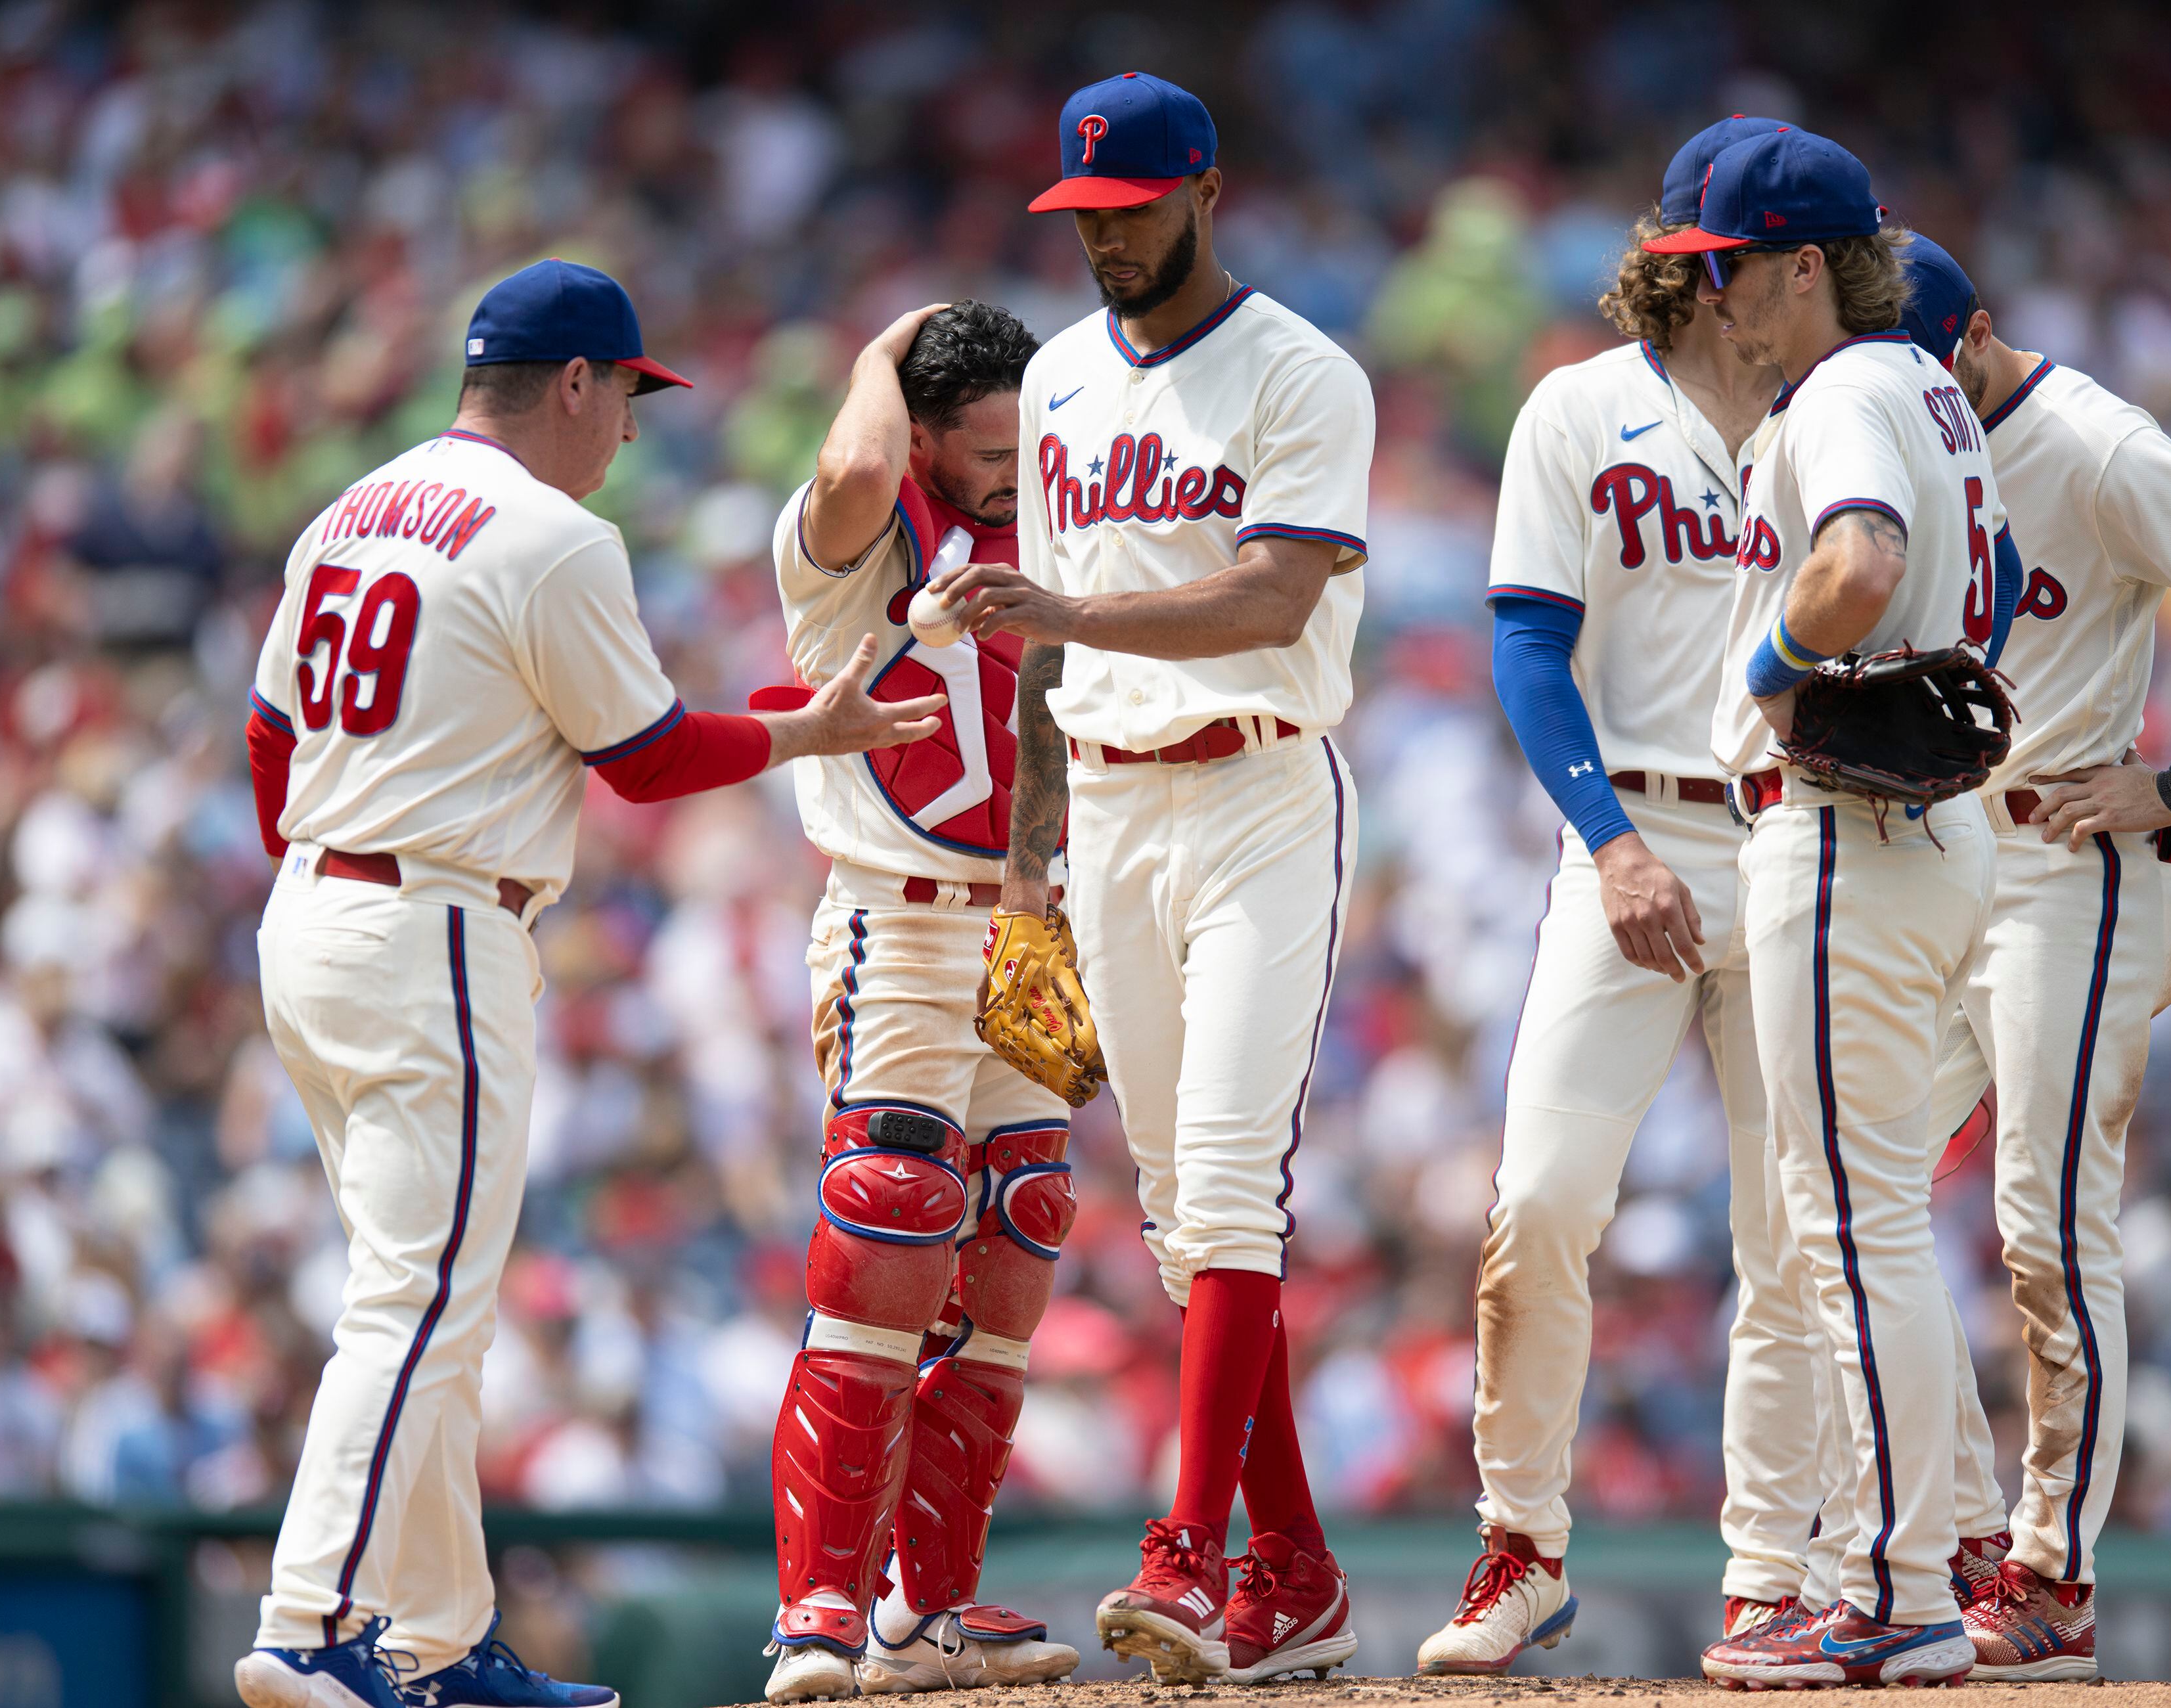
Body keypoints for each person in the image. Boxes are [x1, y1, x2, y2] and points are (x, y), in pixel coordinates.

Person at [235, 259, 942, 1708]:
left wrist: (331, 873)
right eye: (623, 394)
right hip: (429, 925)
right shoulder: (552, 536)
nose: (628, 430)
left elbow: (266, 735)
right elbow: (647, 758)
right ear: (572, 382)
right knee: (418, 1303)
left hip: (314, 912)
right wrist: (815, 729)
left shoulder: (346, 507)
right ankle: (308, 1627)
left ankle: (435, 1641)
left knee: (433, 1299)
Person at [931, 70, 1374, 1687]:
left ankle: (1190, 1559)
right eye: (1083, 214)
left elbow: (1267, 602)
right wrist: (1030, 860)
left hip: (1258, 787)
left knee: (1235, 1182)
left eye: (1128, 210)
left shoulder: (1303, 373)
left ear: (1203, 193)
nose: (1103, 237)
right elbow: (1049, 667)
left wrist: (1052, 614)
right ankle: (1305, 1580)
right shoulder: (1053, 381)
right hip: (1108, 805)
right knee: (1189, 1227)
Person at [1902, 236, 2171, 1680]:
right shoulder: (1897, 425)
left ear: (1976, 338)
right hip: (1955, 847)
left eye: (1920, 369)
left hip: (2079, 855)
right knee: (1851, 1187)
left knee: (2044, 1222)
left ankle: (2053, 1574)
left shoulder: (2089, 442)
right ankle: (1962, 1532)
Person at [1410, 116, 1789, 1677]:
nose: (1796, 284)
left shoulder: (1848, 405)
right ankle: (1524, 1546)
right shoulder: (1581, 407)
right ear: (1710, 276)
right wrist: (1614, 841)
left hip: (1802, 839)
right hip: (1627, 834)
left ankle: (1780, 1573)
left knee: (1796, 1236)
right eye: (1771, 263)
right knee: (1541, 1205)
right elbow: (1524, 642)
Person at [1655, 130, 2002, 1689]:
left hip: (1850, 827)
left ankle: (1896, 1584)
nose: (1710, 293)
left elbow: (1859, 563)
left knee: (1854, 1233)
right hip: (1924, 833)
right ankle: (1902, 1564)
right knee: (1861, 1229)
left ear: (1804, 265)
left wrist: (1759, 673)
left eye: (1725, 264)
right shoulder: (1928, 383)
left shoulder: (1850, 388)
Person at [757, 298, 1081, 1701]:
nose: (1014, 465)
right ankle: (820, 1606)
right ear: (930, 437)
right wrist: (880, 352)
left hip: (1035, 922)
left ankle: (926, 1610)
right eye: (988, 445)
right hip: (897, 913)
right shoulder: (854, 540)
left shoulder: (1053, 539)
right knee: (887, 1227)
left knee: (1017, 1242)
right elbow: (854, 478)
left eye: (1028, 438)